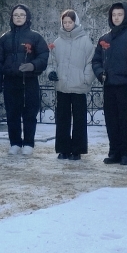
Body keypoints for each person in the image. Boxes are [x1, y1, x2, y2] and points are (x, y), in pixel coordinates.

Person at [92, 3, 127, 165]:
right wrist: (100, 73)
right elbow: (96, 60)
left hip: (126, 87)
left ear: (125, 16)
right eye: (114, 14)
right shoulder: (104, 39)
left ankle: (126, 153)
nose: (116, 17)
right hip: (109, 85)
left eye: (120, 14)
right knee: (111, 120)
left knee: (125, 121)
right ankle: (114, 151)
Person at [0, 4, 50, 156]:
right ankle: (15, 142)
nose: (18, 17)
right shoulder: (5, 38)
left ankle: (29, 143)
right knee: (12, 113)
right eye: (16, 15)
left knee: (30, 113)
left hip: (29, 81)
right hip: (11, 80)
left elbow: (44, 56)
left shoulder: (35, 37)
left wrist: (32, 65)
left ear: (27, 17)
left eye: (21, 15)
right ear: (12, 18)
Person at [48, 9, 96, 160]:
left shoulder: (85, 41)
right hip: (62, 85)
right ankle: (63, 149)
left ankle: (77, 149)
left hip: (79, 87)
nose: (68, 25)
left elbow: (91, 62)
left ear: (76, 22)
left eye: (70, 22)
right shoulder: (57, 42)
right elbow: (51, 61)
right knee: (62, 119)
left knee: (79, 119)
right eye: (65, 22)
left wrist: (86, 79)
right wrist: (51, 72)